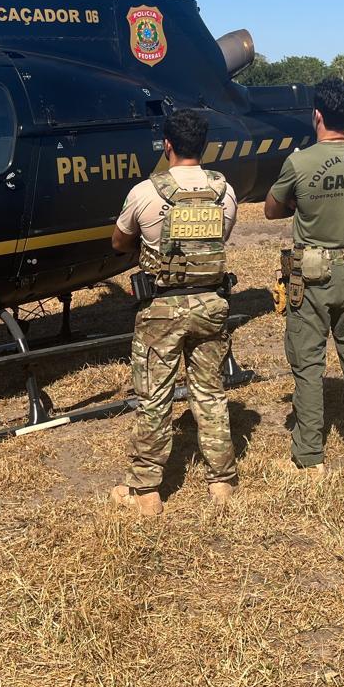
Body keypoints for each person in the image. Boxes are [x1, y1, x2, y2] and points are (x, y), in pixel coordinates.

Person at [108, 109, 240, 516]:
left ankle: (145, 490)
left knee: (155, 398)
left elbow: (118, 242)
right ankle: (222, 481)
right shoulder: (225, 191)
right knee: (211, 393)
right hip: (211, 305)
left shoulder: (145, 193)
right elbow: (222, 237)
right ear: (203, 145)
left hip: (161, 310)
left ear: (167, 145)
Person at [264, 78, 344, 474]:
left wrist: (300, 208)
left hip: (312, 273)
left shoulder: (299, 162)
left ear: (316, 114)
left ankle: (308, 456)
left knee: (308, 364)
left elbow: (272, 208)